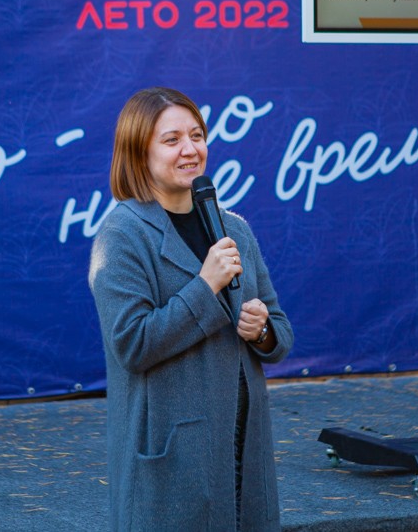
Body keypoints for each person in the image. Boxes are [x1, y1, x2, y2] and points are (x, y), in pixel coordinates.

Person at [89, 87, 293, 531]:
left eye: (197, 135)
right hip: (176, 460)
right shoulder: (122, 235)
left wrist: (262, 330)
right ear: (138, 153)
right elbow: (133, 344)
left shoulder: (233, 227)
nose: (190, 149)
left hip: (242, 448)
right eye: (172, 140)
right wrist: (205, 287)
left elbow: (279, 331)